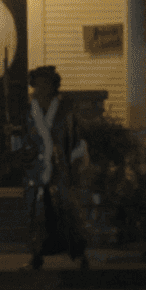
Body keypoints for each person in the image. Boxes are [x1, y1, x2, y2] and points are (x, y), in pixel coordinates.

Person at [17, 66, 91, 271]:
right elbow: (24, 136)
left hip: (59, 169)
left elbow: (75, 138)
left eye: (44, 83)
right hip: (36, 168)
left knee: (67, 212)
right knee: (36, 214)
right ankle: (36, 255)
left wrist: (74, 163)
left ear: (52, 85)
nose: (39, 88)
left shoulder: (64, 111)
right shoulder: (30, 111)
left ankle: (79, 254)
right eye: (37, 84)